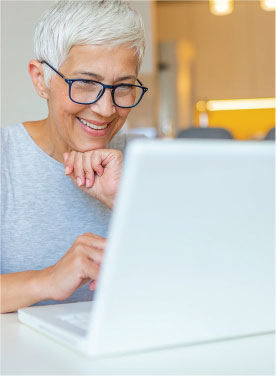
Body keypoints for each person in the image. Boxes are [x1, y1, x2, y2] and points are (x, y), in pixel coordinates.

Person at [1, 0, 148, 313]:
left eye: (123, 87)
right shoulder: (5, 157)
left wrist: (125, 201)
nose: (106, 109)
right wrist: (48, 280)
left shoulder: (147, 161)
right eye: (85, 83)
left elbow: (205, 275)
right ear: (41, 80)